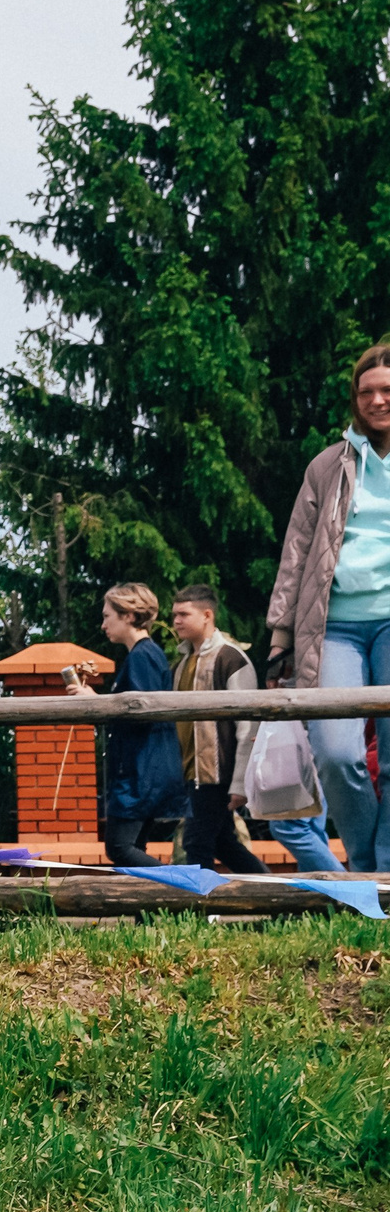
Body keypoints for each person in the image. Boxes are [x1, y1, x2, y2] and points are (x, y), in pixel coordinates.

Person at [271, 339, 390, 867]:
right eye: (367, 392)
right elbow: (296, 551)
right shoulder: (329, 465)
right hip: (334, 627)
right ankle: (367, 865)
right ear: (354, 399)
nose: (378, 400)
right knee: (338, 753)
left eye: (387, 390)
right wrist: (280, 636)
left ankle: (385, 868)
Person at [67, 584, 182, 867]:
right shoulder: (146, 654)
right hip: (147, 769)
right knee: (134, 848)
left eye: (108, 616)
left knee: (120, 848)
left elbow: (141, 712)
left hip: (140, 773)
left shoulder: (141, 657)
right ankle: (149, 911)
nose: (103, 623)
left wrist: (98, 703)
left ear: (128, 616)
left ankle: (186, 891)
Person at [170, 585, 261, 875]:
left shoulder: (231, 658)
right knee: (222, 843)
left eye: (184, 614)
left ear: (207, 615)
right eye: (174, 615)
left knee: (197, 843)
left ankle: (201, 914)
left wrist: (240, 782)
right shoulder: (182, 663)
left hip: (217, 774)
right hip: (192, 773)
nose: (176, 621)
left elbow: (248, 725)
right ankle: (280, 900)